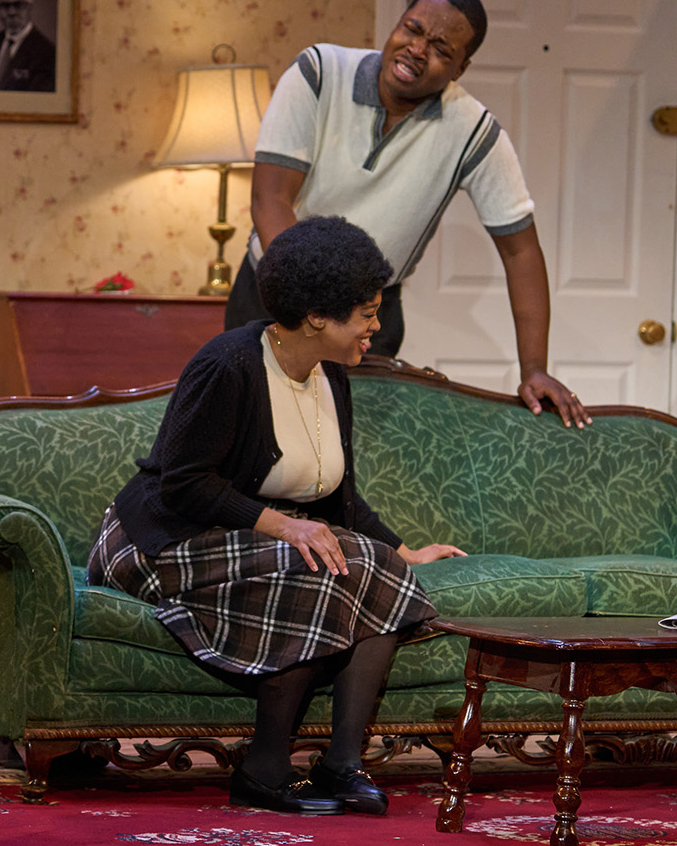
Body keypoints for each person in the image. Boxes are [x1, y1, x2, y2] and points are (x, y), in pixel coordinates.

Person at [88, 216, 462, 815]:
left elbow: (337, 498)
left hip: (243, 535)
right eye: (366, 314)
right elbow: (184, 484)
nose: (376, 326)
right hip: (159, 537)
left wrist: (403, 550)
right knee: (319, 563)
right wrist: (284, 525)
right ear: (317, 317)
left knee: (375, 564)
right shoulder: (229, 365)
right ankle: (263, 769)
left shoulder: (331, 374)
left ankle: (342, 765)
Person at [226, 0, 589, 428]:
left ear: (460, 68)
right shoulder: (318, 72)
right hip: (273, 293)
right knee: (250, 437)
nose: (417, 49)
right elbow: (270, 198)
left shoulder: (474, 131)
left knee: (347, 451)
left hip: (367, 317)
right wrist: (312, 305)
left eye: (440, 48)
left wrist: (534, 369)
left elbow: (521, 252)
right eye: (412, 29)